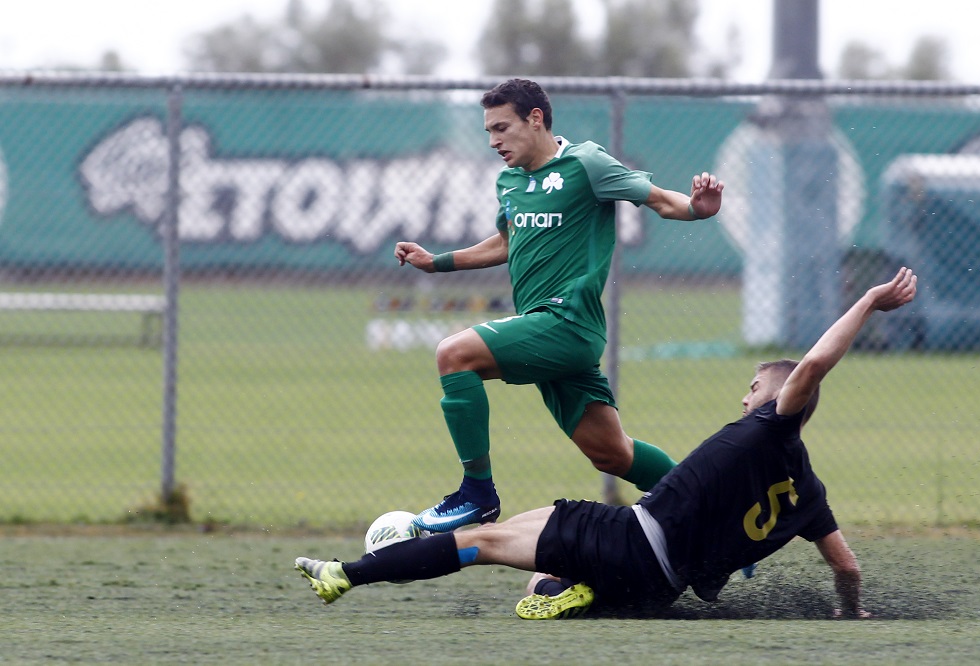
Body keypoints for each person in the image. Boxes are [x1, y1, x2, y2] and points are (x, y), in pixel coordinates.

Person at [295, 267, 918, 620]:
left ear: (782, 397)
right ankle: (573, 585)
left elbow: (813, 365)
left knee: (478, 542)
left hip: (631, 541)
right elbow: (846, 567)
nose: (744, 398)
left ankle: (345, 575)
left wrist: (867, 301)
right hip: (657, 591)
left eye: (754, 388)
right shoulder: (810, 491)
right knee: (532, 565)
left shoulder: (770, 427)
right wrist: (850, 611)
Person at [393, 78, 725, 532]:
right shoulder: (510, 180)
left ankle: (477, 493)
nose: (493, 141)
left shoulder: (587, 163)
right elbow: (508, 242)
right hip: (543, 327)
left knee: (454, 354)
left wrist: (698, 208)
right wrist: (437, 263)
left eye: (501, 128)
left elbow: (663, 202)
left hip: (568, 323)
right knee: (613, 454)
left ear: (535, 119)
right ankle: (719, 518)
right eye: (488, 131)